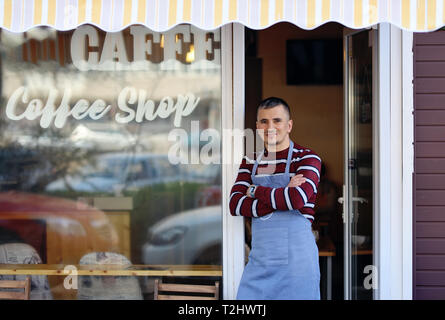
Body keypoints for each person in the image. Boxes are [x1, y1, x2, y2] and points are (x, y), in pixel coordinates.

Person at [229, 97, 322, 300]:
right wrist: (281, 197)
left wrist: (254, 191)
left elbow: (296, 200)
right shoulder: (251, 160)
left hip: (298, 267)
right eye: (264, 121)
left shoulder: (307, 158)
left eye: (277, 120)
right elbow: (235, 204)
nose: (270, 126)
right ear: (257, 126)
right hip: (260, 263)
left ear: (289, 125)